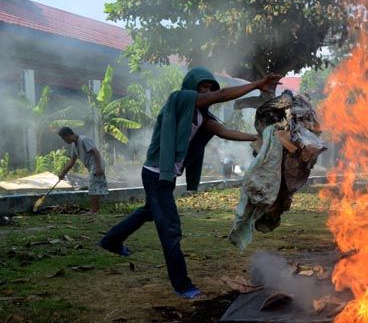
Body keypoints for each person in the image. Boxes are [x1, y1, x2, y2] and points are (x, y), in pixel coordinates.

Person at [99, 67, 281, 300]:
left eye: (209, 88)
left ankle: (111, 240)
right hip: (156, 174)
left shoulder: (202, 116)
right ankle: (182, 284)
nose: (207, 92)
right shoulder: (180, 98)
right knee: (170, 229)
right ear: (191, 87)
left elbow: (225, 132)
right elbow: (223, 94)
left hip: (164, 176)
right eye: (202, 88)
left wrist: (260, 138)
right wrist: (258, 84)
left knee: (149, 211)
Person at [57, 127, 107, 214]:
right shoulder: (74, 145)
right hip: (92, 166)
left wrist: (98, 167)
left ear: (69, 135)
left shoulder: (84, 140)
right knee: (95, 187)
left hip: (96, 165)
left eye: (64, 138)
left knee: (93, 188)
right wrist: (63, 173)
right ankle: (96, 210)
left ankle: (93, 210)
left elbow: (96, 152)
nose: (64, 141)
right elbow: (72, 161)